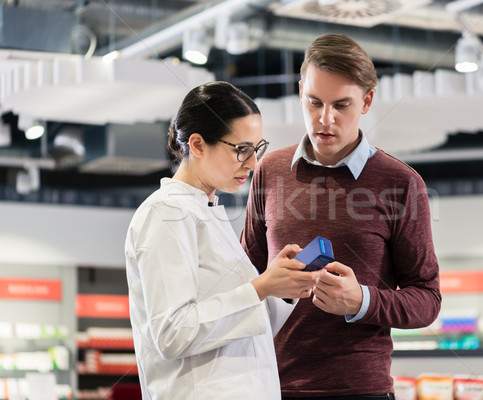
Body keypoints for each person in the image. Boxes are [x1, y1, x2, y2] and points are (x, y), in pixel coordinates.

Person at [241, 34, 442, 399]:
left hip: (360, 390)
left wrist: (362, 300)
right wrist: (270, 281)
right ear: (300, 91)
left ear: (366, 101)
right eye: (314, 102)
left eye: (341, 105)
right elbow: (243, 276)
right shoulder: (269, 170)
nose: (325, 118)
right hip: (270, 385)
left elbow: (427, 299)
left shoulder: (401, 183)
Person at [124, 81, 326, 400]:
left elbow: (244, 332)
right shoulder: (165, 212)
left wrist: (281, 289)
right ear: (198, 144)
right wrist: (260, 288)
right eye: (241, 149)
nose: (252, 163)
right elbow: (172, 335)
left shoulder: (205, 210)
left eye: (257, 149)